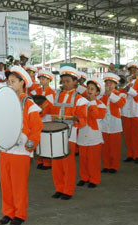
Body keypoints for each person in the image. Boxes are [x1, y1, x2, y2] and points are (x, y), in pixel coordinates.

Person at [0, 66, 42, 225]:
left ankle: (20, 213)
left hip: (21, 148)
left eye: (13, 81)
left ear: (23, 83)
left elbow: (37, 127)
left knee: (18, 183)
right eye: (9, 81)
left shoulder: (29, 103)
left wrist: (32, 141)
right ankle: (8, 212)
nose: (10, 84)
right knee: (6, 182)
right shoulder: (4, 101)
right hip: (5, 147)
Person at [50, 67, 88, 200]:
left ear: (75, 82)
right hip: (55, 132)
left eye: (68, 81)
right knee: (56, 163)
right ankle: (59, 188)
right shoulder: (57, 95)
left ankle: (68, 190)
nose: (65, 84)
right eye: (63, 81)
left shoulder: (80, 99)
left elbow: (83, 119)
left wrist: (77, 121)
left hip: (69, 134)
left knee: (68, 163)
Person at [77, 78, 106, 188]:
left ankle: (94, 179)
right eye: (88, 88)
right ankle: (84, 177)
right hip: (82, 133)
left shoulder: (101, 105)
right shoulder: (82, 101)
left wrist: (92, 102)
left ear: (97, 93)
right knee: (83, 159)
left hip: (94, 136)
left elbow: (96, 115)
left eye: (92, 89)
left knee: (93, 160)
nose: (89, 91)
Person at [100, 73, 126, 173]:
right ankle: (106, 165)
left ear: (116, 85)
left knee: (115, 147)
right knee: (105, 147)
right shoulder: (102, 95)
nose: (108, 85)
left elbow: (121, 103)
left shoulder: (120, 94)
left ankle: (114, 166)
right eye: (106, 83)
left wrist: (111, 95)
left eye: (111, 83)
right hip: (104, 124)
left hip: (115, 124)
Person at [32, 70, 56, 170]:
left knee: (46, 140)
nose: (41, 81)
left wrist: (40, 112)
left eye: (43, 79)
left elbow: (49, 107)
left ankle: (47, 162)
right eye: (40, 78)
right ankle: (40, 160)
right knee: (38, 139)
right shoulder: (36, 91)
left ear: (48, 80)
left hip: (47, 119)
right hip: (38, 118)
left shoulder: (52, 93)